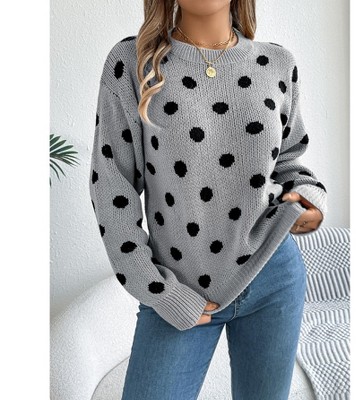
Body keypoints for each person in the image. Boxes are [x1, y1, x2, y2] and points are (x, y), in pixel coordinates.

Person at [89, 1, 328, 399]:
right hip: (178, 287)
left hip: (274, 277)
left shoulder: (277, 64)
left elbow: (290, 163)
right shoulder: (131, 63)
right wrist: (160, 290)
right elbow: (111, 188)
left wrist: (308, 199)